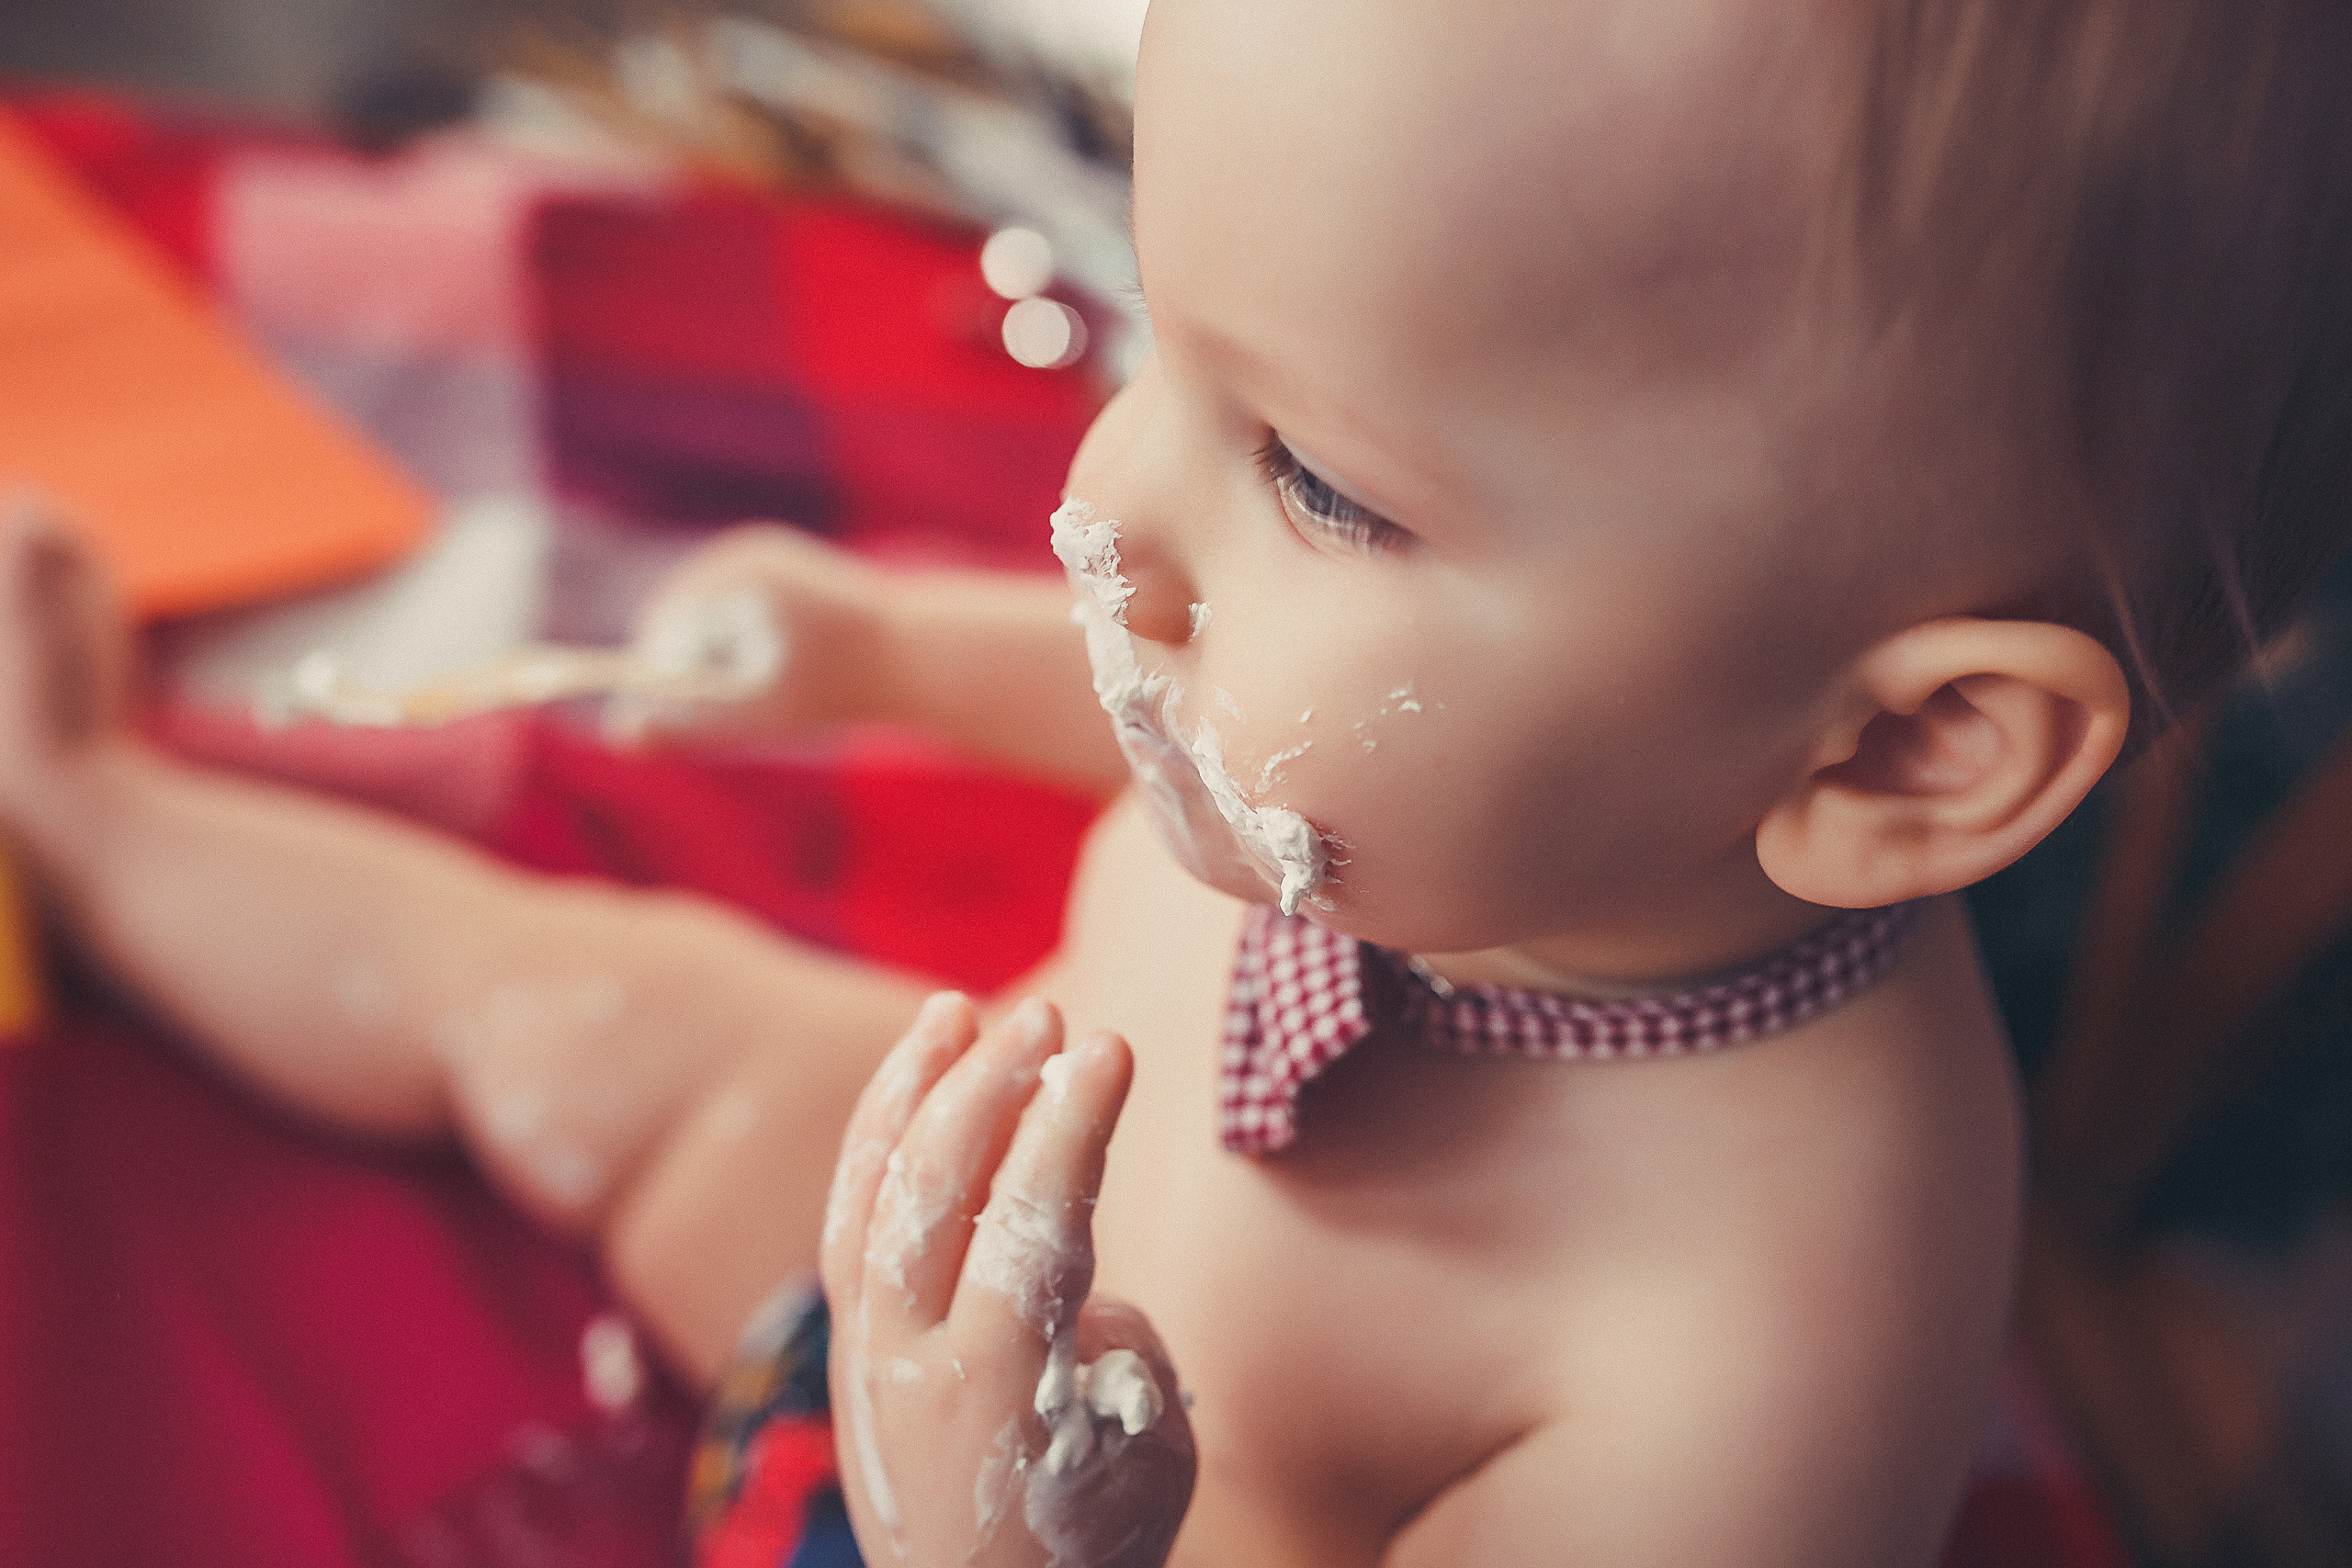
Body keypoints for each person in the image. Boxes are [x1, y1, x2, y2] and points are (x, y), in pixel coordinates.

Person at [7, 0, 2351, 1562]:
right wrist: (874, 647)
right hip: (884, 1258)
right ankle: (98, 814)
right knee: (591, 1011)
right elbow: (1123, 679)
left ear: (1900, 747)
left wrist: (983, 1515)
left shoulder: (1762, 1331)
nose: (1114, 511)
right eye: (1157, 346)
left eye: (1318, 481)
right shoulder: (1471, 778)